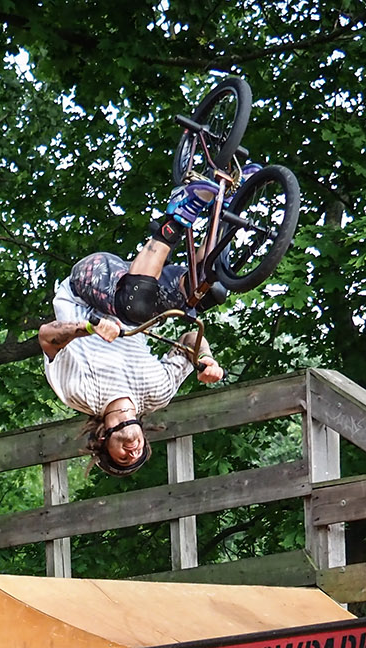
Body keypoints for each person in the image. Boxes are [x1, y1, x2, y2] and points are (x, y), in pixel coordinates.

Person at [39, 181, 229, 475]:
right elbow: (191, 338)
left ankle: (177, 217)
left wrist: (89, 326)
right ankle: (229, 206)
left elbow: (47, 337)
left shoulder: (79, 395)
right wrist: (206, 358)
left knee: (135, 306)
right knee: (209, 288)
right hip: (141, 288)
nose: (133, 452)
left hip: (89, 284)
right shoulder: (157, 394)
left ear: (102, 441)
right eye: (139, 455)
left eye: (124, 458)